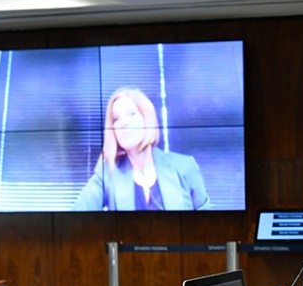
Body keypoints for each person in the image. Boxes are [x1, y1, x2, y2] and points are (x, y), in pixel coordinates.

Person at [73, 87, 210, 211]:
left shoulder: (185, 167)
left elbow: (209, 228)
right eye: (116, 119)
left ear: (147, 119)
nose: (123, 123)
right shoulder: (107, 173)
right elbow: (76, 218)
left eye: (131, 114)